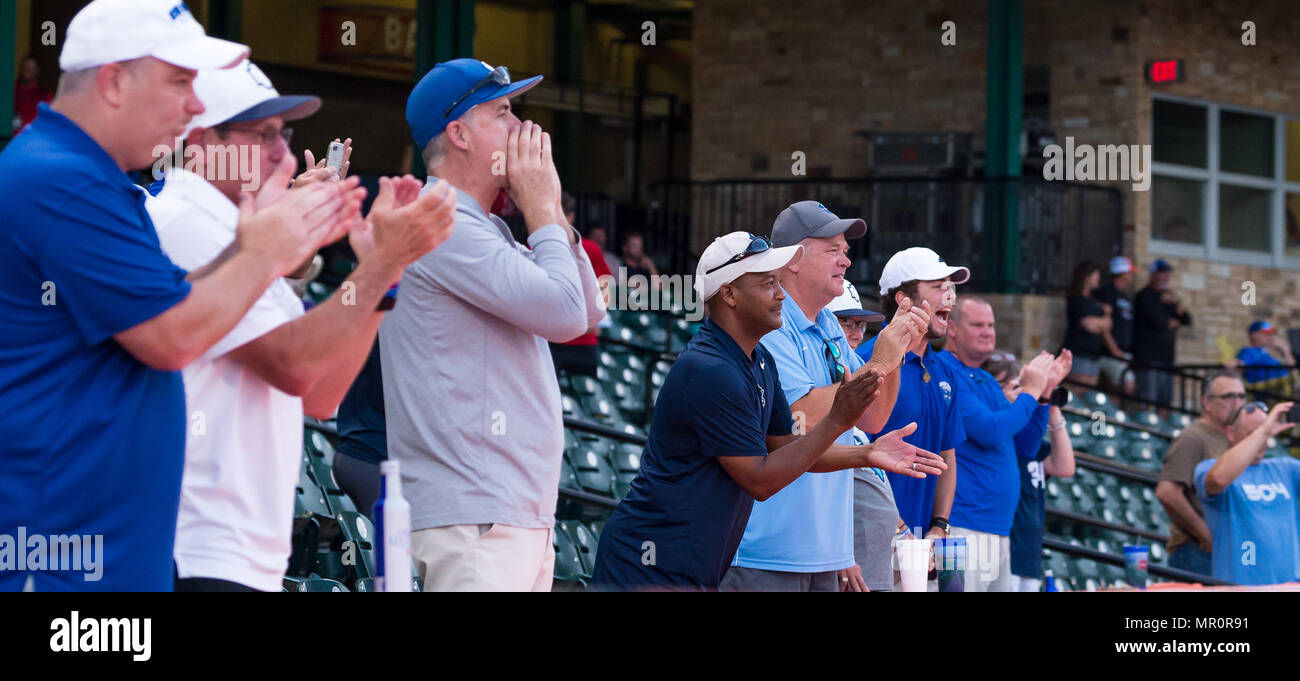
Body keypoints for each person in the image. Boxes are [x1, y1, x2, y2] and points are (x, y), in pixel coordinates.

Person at [0, 0, 361, 592]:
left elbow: (175, 304)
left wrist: (262, 246)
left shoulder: (89, 177)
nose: (195, 104)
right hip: (62, 562)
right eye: (179, 82)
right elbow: (172, 336)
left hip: (110, 556)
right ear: (115, 81)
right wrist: (269, 250)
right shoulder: (62, 179)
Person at [148, 60, 457, 592]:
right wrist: (380, 264)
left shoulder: (241, 230)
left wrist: (381, 280)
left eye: (282, 133)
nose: (280, 151)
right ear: (200, 141)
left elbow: (320, 394)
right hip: (193, 546)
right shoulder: (186, 219)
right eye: (260, 133)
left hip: (238, 550)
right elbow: (294, 365)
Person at [590, 232, 946, 591]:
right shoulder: (711, 370)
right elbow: (760, 480)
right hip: (648, 567)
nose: (780, 294)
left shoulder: (758, 359)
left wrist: (866, 453)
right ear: (728, 294)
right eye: (767, 284)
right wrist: (841, 414)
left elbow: (788, 446)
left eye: (778, 282)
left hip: (691, 565)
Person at [383, 58, 605, 591]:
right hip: (474, 516)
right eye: (503, 112)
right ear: (457, 134)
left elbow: (590, 307)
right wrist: (541, 210)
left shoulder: (482, 226)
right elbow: (565, 314)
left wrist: (548, 208)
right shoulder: (440, 221)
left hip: (505, 511)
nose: (523, 129)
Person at [721, 201, 925, 593]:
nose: (846, 262)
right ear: (794, 258)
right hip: (769, 550)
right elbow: (800, 418)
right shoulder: (770, 324)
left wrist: (896, 355)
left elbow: (871, 417)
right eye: (833, 251)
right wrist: (879, 358)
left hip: (825, 552)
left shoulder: (828, 321)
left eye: (845, 252)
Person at [940, 296, 1071, 591]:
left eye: (991, 325)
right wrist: (1030, 392)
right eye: (977, 325)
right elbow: (990, 431)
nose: (988, 331)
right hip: (961, 524)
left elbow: (1023, 447)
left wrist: (1044, 396)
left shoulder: (985, 378)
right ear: (952, 329)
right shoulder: (945, 371)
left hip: (999, 527)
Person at [857, 247, 969, 542]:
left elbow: (947, 456)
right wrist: (898, 529)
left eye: (950, 287)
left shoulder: (945, 371)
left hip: (924, 549)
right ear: (903, 300)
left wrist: (939, 526)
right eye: (937, 287)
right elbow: (852, 460)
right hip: (871, 543)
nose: (949, 296)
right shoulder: (866, 361)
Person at [830, 278, 906, 592]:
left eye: (860, 324)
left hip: (875, 568)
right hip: (846, 567)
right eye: (845, 322)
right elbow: (812, 480)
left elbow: (868, 466)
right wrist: (838, 552)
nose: (857, 332)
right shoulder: (812, 388)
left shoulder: (850, 379)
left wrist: (901, 530)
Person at [981, 350, 1076, 592]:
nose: (1022, 391)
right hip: (1002, 552)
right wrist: (1034, 397)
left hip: (1029, 556)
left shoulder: (1029, 444)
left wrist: (1050, 404)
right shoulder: (998, 439)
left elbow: (1065, 466)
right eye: (1012, 386)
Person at [1195, 401, 1300, 585]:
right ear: (1230, 433)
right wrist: (1264, 430)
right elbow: (1218, 480)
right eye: (1251, 433)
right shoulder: (1209, 467)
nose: (1262, 441)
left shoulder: (1285, 468)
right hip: (1238, 587)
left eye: (1265, 434)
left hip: (1289, 586)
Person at [1155, 370, 1246, 577]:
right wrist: (1205, 534)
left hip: (1229, 549)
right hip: (1196, 551)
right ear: (1207, 402)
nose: (1237, 402)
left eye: (1241, 396)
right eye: (1228, 396)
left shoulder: (1234, 438)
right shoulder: (1193, 438)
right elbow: (1167, 492)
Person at [550, 192, 612, 378]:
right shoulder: (534, 246)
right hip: (551, 339)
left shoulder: (590, 247)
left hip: (584, 341)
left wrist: (594, 319)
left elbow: (606, 284)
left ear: (571, 217)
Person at [1133, 259, 1192, 407]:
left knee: (1165, 401)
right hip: (1148, 359)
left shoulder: (1169, 297)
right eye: (1161, 273)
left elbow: (1187, 320)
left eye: (1166, 273)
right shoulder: (1144, 295)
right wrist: (1172, 322)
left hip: (1166, 358)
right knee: (1148, 400)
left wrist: (1176, 305)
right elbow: (1159, 323)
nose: (1164, 277)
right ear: (1153, 274)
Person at [1061, 261, 1109, 389]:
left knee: (1089, 394)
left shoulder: (1095, 301)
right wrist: (1100, 323)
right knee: (1077, 392)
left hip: (1094, 354)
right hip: (1079, 353)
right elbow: (1088, 325)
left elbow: (1108, 324)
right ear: (1087, 276)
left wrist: (1099, 322)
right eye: (1096, 274)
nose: (1098, 278)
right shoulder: (1076, 299)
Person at [1094, 255, 1136, 394]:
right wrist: (1114, 349)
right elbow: (1104, 324)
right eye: (1129, 272)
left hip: (1123, 351)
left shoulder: (1124, 295)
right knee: (1126, 385)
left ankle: (1110, 414)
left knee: (1119, 388)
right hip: (1111, 352)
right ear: (1122, 273)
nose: (1131, 276)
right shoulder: (1107, 292)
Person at [1232, 320, 1293, 386]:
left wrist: (1285, 351)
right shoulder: (1248, 351)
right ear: (1254, 335)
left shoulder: (1266, 352)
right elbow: (1239, 365)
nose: (1270, 337)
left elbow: (1292, 369)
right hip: (1269, 391)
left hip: (1285, 387)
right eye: (1266, 334)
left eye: (1271, 334)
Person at [13, 55, 52, 133]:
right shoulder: (13, 91)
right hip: (14, 138)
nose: (27, 71)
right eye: (25, 68)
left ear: (37, 71)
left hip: (35, 137)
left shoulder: (44, 95)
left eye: (31, 69)